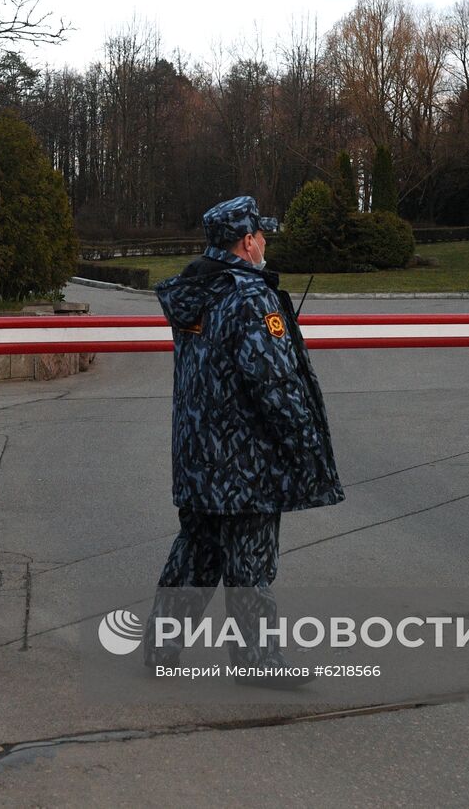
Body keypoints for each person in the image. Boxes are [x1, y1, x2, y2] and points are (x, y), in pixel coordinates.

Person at [144, 195, 343, 685]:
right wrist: (305, 448)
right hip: (245, 459)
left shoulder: (196, 288)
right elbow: (274, 382)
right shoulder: (250, 297)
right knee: (249, 560)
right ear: (247, 241)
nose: (266, 242)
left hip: (197, 452)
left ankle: (162, 645)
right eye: (262, 235)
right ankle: (257, 662)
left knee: (197, 549)